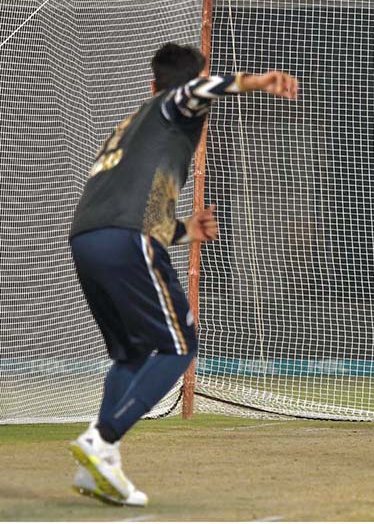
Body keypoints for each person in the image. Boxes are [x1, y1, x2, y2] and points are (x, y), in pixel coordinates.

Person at [67, 42, 299, 506]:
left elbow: (137, 211)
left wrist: (184, 231)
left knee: (131, 352)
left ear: (151, 81)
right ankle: (103, 436)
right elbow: (190, 91)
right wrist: (255, 81)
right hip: (126, 237)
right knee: (180, 343)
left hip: (88, 239)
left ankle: (101, 466)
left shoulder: (134, 127)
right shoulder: (174, 106)